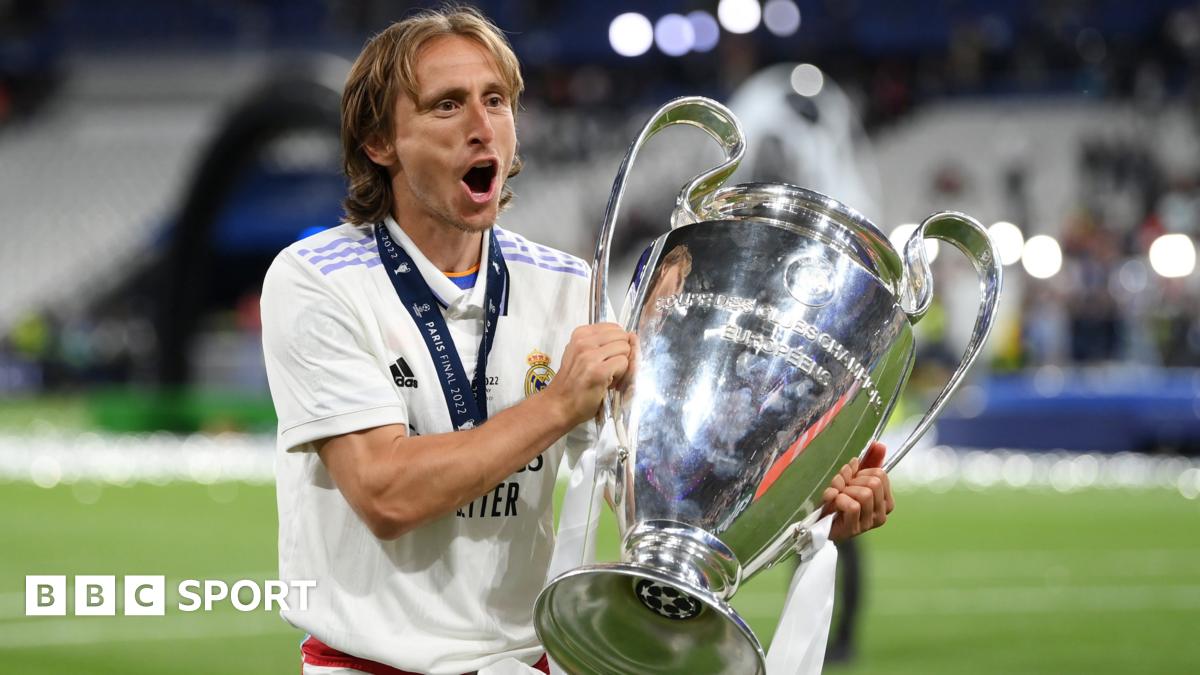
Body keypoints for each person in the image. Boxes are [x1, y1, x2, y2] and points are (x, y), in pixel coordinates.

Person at [260, 7, 894, 675]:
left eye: (496, 100)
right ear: (379, 142)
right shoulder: (317, 280)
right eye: (446, 105)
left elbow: (650, 501)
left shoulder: (567, 285)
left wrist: (804, 503)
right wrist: (556, 405)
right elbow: (385, 494)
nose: (483, 129)